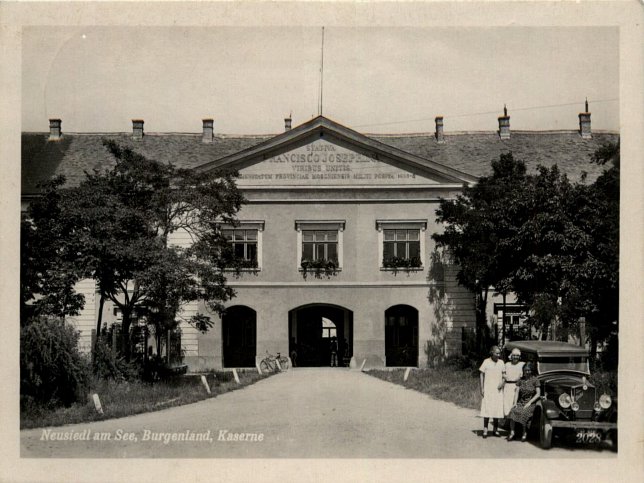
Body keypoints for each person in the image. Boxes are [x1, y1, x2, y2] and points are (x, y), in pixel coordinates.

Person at [507, 362, 541, 442]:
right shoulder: (521, 380)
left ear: (531, 371)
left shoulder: (535, 380)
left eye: (529, 370)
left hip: (531, 402)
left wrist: (529, 403)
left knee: (524, 413)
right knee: (512, 411)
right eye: (525, 370)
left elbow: (538, 394)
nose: (527, 372)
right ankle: (512, 432)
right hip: (521, 402)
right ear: (523, 371)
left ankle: (524, 433)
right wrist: (515, 403)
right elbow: (517, 392)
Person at [479, 345, 505, 438]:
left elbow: (504, 375)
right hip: (488, 389)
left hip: (498, 390)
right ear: (492, 353)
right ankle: (485, 429)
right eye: (497, 353)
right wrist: (482, 388)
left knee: (496, 409)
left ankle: (495, 430)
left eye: (499, 353)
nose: (498, 355)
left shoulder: (501, 362)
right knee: (487, 408)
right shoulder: (486, 362)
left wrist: (502, 383)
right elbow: (481, 374)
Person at [503, 348, 525, 418]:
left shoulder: (522, 364)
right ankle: (507, 420)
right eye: (514, 355)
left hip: (517, 386)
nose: (515, 357)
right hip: (507, 386)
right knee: (506, 403)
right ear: (511, 356)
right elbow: (503, 374)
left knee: (514, 403)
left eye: (517, 355)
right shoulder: (507, 364)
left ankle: (513, 422)